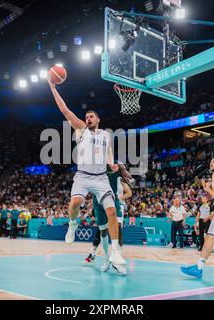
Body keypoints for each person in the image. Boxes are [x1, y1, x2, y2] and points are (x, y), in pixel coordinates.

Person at [48, 74, 126, 270]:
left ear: (98, 119)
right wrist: (53, 88)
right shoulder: (81, 130)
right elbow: (65, 110)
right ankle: (73, 225)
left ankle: (115, 252)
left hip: (100, 178)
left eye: (91, 116)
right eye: (86, 117)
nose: (88, 118)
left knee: (111, 211)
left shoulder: (106, 135)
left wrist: (112, 164)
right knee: (75, 202)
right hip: (82, 176)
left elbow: (108, 153)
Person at [84, 163, 133, 275]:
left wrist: (127, 177)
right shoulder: (93, 168)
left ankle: (117, 260)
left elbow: (127, 175)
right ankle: (106, 259)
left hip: (113, 200)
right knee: (103, 232)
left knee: (119, 229)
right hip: (98, 202)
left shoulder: (116, 166)